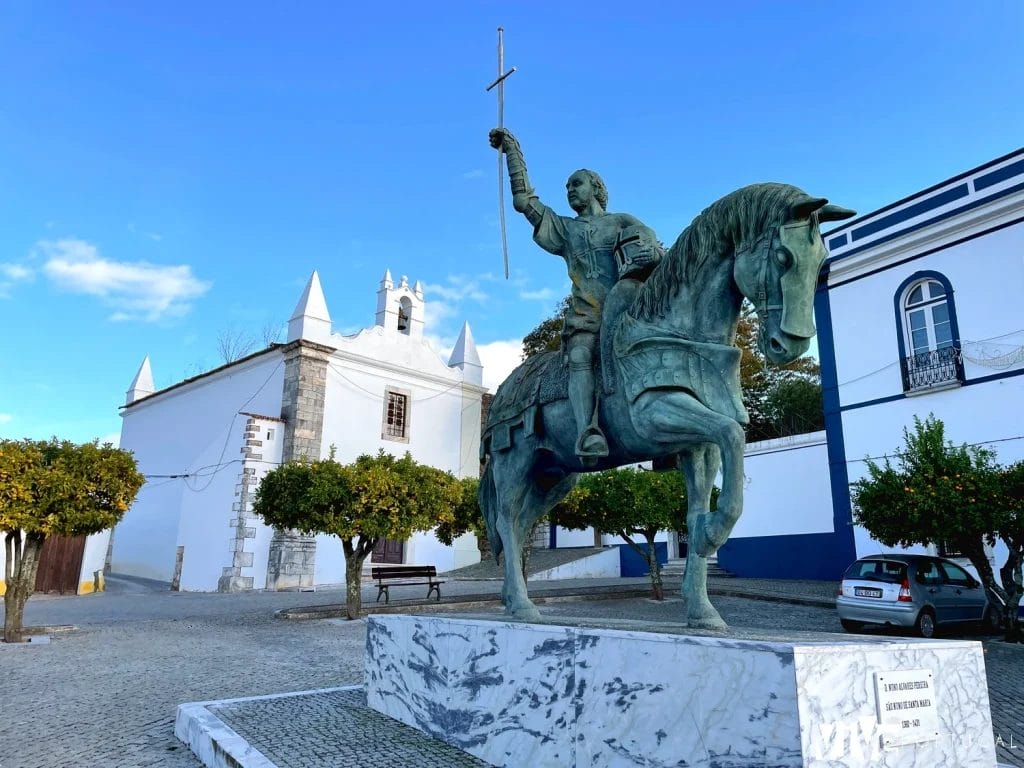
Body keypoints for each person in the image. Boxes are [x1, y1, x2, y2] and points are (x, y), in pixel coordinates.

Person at [489, 127, 660, 463]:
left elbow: (655, 254)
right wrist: (512, 152)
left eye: (575, 184)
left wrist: (647, 258)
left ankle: (668, 435)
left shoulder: (623, 221)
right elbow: (525, 202)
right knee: (581, 356)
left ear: (596, 188)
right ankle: (588, 431)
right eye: (566, 187)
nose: (569, 191)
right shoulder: (566, 230)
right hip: (589, 316)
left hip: (631, 311)